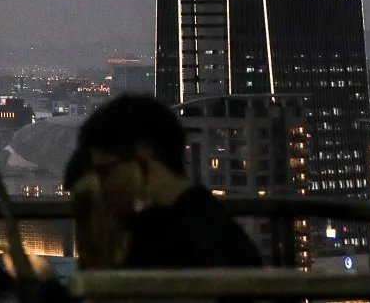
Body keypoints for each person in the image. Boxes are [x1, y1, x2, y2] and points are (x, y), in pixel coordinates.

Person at [66, 94, 262, 270]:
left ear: (142, 160)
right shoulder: (215, 227)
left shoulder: (175, 243)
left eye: (106, 172)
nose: (103, 187)